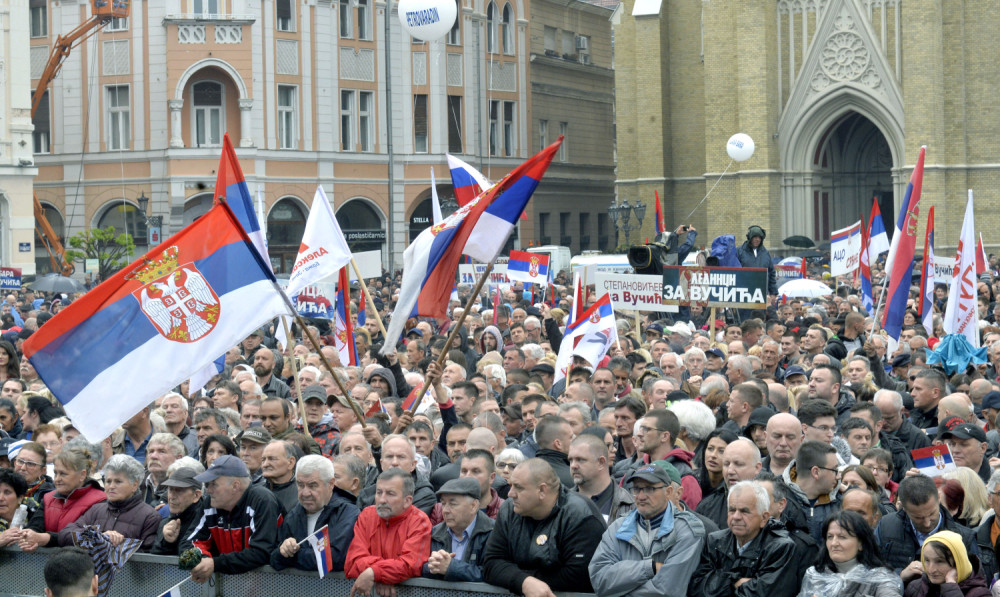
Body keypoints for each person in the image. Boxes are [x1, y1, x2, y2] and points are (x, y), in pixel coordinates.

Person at [482, 458, 606, 595]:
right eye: (511, 486)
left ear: (542, 490)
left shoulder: (581, 515)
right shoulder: (509, 510)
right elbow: (490, 564)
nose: (510, 494)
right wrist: (524, 581)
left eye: (518, 487)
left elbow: (579, 576)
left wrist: (522, 578)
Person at [588, 462, 706, 597]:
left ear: (668, 492)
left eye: (649, 489)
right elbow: (599, 580)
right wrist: (649, 568)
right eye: (637, 489)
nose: (641, 496)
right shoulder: (618, 527)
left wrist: (620, 589)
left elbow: (667, 591)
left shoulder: (686, 529)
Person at [690, 480, 799, 596]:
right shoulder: (715, 541)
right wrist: (735, 581)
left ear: (764, 518)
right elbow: (696, 589)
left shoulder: (781, 548)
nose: (736, 517)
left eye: (744, 511)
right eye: (732, 510)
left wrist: (720, 583)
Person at [187, 455, 281, 582]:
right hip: (234, 584)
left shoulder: (262, 500)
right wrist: (202, 560)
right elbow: (188, 542)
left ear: (235, 486)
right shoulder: (211, 503)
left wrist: (215, 564)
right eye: (208, 484)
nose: (208, 490)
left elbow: (260, 553)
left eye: (213, 484)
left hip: (275, 584)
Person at [345, 468, 432, 597]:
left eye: (390, 494)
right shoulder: (367, 515)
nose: (382, 500)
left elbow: (410, 565)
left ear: (407, 500)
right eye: (379, 492)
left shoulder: (419, 521)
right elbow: (353, 561)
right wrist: (380, 574)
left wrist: (374, 572)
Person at [271, 455, 360, 573]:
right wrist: (283, 551)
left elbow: (334, 559)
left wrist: (293, 555)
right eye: (300, 485)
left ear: (331, 484)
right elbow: (274, 560)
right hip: (298, 590)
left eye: (313, 485)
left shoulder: (347, 513)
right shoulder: (294, 514)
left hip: (336, 589)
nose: (305, 493)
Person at [876, 474, 980, 573]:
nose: (927, 523)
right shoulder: (886, 526)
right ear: (903, 507)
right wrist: (900, 576)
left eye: (932, 514)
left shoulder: (963, 538)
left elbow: (976, 582)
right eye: (918, 517)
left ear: (939, 498)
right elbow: (871, 571)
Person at [62, 454, 161, 551]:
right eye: (108, 481)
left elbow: (150, 555)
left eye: (118, 482)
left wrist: (119, 544)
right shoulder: (96, 509)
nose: (111, 486)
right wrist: (96, 536)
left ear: (135, 485)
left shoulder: (150, 517)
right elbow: (64, 534)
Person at [18, 445, 106, 551]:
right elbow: (36, 527)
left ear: (82, 475)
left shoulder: (100, 501)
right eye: (56, 473)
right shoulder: (48, 498)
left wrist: (46, 539)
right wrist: (30, 536)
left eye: (63, 474)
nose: (57, 479)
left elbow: (84, 538)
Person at [798, 510, 903, 597]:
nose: (834, 543)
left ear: (861, 544)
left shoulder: (880, 578)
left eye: (842, 537)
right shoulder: (815, 575)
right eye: (830, 537)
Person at [421, 477, 495, 582]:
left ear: (473, 506)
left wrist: (452, 568)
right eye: (443, 504)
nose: (445, 510)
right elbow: (420, 567)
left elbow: (493, 574)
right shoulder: (435, 533)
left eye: (453, 504)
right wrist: (433, 566)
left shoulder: (492, 532)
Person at [901, 530, 991, 597]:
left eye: (939, 561)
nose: (931, 569)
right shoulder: (915, 587)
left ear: (957, 562)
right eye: (927, 560)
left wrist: (951, 588)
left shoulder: (981, 593)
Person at [151, 464, 206, 555]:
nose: (172, 496)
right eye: (170, 489)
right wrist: (167, 542)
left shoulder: (206, 522)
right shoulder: (165, 522)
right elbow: (154, 562)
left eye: (179, 490)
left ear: (196, 495)